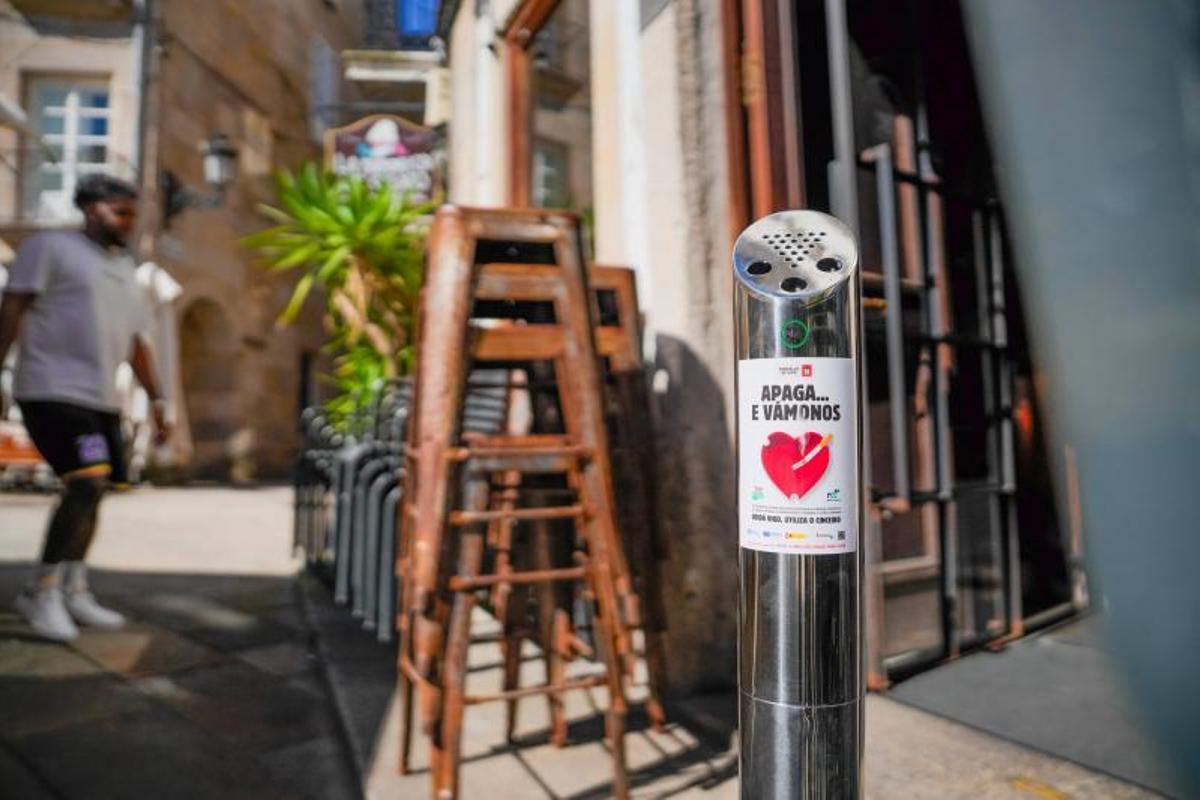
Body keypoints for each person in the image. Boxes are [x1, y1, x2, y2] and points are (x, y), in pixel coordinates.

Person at [0, 174, 169, 642]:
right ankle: (41, 591)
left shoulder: (125, 267)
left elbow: (138, 344)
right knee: (87, 482)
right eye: (120, 212)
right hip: (51, 389)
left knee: (99, 490)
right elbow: (11, 309)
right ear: (91, 209)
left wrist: (158, 402)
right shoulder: (49, 248)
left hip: (102, 400)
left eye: (133, 213)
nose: (129, 222)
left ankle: (73, 587)